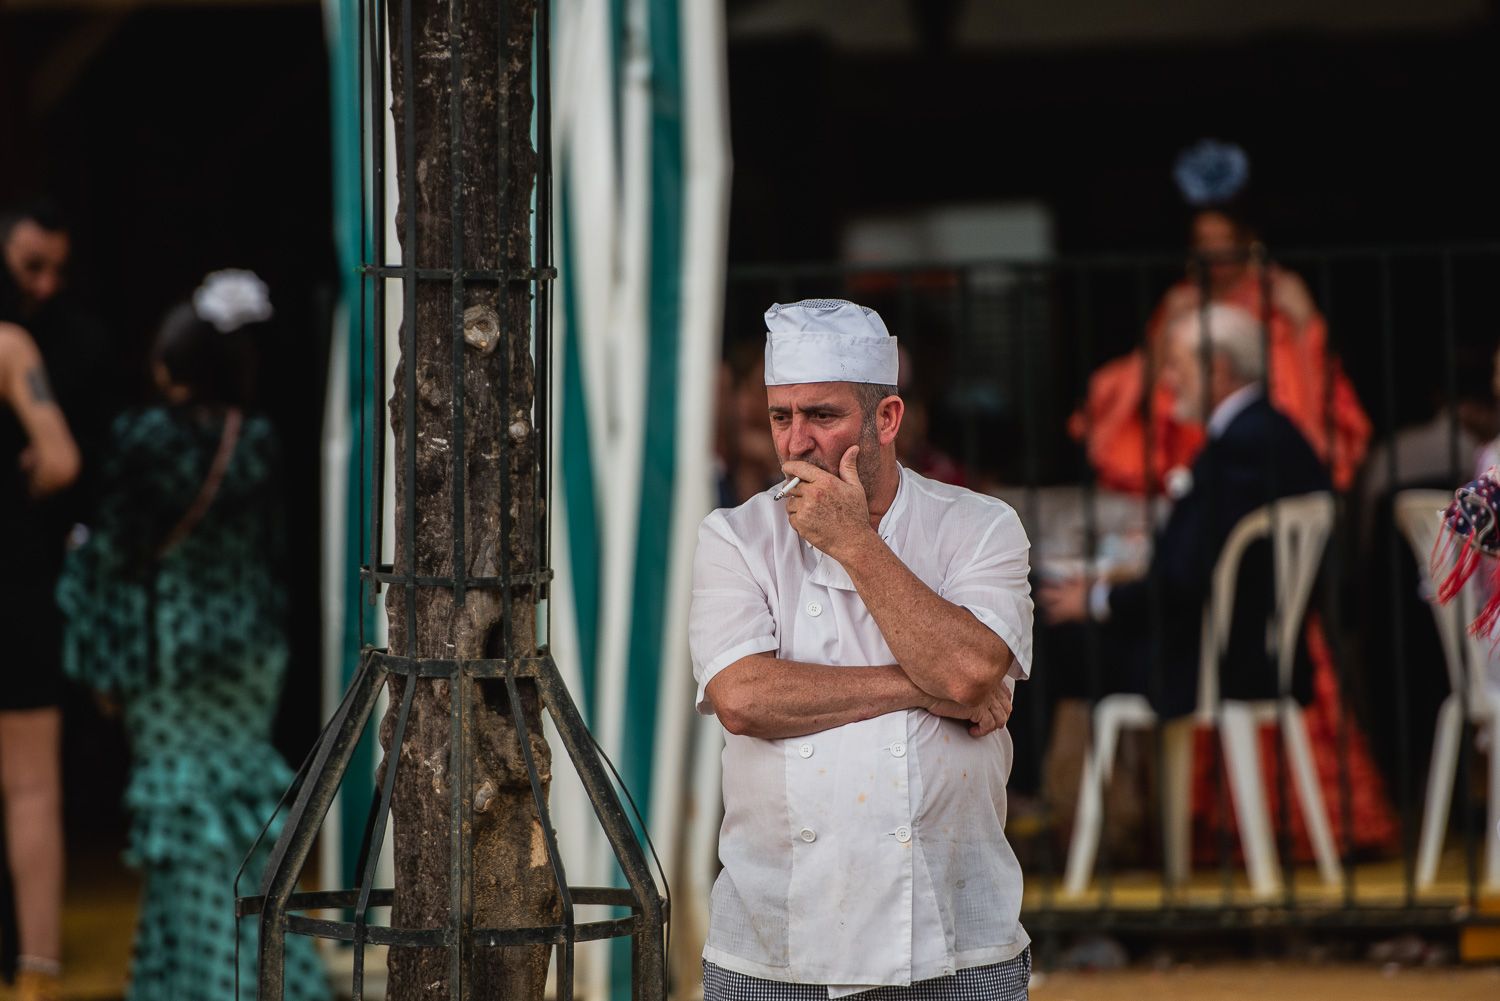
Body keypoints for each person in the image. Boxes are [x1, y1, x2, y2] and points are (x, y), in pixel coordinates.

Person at [690, 299, 1034, 1001]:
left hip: (957, 935)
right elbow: (743, 698)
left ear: (887, 418)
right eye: (781, 416)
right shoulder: (735, 536)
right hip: (776, 942)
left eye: (822, 415)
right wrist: (922, 687)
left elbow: (969, 670)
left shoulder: (980, 526)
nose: (797, 441)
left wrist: (855, 542)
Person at [56, 271, 327, 1001]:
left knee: (183, 823)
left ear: (167, 364)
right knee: (244, 814)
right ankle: (270, 976)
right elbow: (271, 554)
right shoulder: (256, 438)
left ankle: (209, 983)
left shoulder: (142, 436)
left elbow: (111, 558)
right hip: (250, 653)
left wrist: (99, 664)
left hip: (170, 653)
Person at [1042, 305, 1397, 861]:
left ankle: (1026, 813)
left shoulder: (1241, 446)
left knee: (1033, 630)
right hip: (1241, 647)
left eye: (1179, 367)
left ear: (1219, 369)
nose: (1168, 381)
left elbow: (1183, 581)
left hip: (1213, 659)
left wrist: (1099, 598)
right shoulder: (1272, 433)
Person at [1068, 146, 1370, 495]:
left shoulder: (1279, 291)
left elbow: (1311, 370)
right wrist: (1168, 330)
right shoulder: (1181, 299)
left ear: (1244, 240)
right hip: (1195, 437)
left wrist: (1303, 319)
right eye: (1204, 242)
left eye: (1223, 241)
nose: (1214, 253)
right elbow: (1149, 382)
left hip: (1269, 426)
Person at [0, 321, 80, 1001]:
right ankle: (36, 974)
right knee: (29, 786)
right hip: (12, 584)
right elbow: (60, 460)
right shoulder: (9, 347)